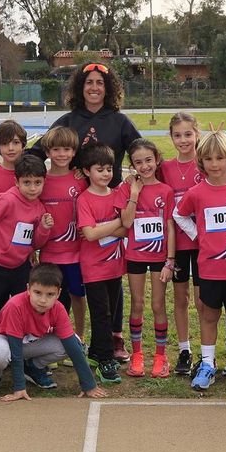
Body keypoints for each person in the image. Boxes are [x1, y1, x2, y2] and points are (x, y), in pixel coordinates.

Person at [171, 130, 226, 391]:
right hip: (209, 269)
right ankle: (207, 364)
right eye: (208, 159)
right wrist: (198, 233)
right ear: (202, 162)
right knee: (208, 316)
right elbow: (179, 214)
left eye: (220, 158)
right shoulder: (197, 192)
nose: (214, 164)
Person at [0, 264, 108, 400]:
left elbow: (73, 347)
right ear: (28, 289)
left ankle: (32, 367)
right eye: (37, 293)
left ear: (58, 293)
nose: (43, 300)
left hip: (27, 341)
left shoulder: (58, 308)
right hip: (3, 338)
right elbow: (15, 350)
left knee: (74, 343)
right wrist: (19, 388)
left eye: (50, 294)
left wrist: (89, 384)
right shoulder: (15, 305)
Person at [0, 154, 55, 308]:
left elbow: (36, 243)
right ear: (16, 182)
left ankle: (10, 332)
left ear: (44, 182)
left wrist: (43, 229)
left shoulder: (40, 209)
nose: (33, 188)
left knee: (22, 308)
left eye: (37, 183)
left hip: (20, 268)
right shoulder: (7, 200)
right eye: (27, 182)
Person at [37, 60, 143, 184]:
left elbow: (143, 154)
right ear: (81, 87)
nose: (94, 87)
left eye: (100, 83)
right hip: (73, 196)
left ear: (107, 88)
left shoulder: (121, 122)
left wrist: (137, 178)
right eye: (89, 82)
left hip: (111, 198)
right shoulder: (67, 122)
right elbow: (36, 153)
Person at [119, 139, 173, 377]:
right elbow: (127, 222)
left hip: (159, 256)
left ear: (157, 160)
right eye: (138, 162)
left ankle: (161, 356)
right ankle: (138, 355)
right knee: (138, 304)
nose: (144, 166)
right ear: (132, 164)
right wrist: (134, 193)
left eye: (148, 160)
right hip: (136, 256)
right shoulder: (127, 188)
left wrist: (170, 261)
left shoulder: (166, 191)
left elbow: (170, 226)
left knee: (158, 304)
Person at [76, 144, 128, 385]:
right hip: (93, 268)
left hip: (115, 266)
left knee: (113, 310)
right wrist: (116, 223)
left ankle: (97, 351)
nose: (106, 174)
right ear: (87, 171)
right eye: (100, 170)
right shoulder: (84, 199)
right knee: (101, 314)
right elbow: (89, 233)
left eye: (109, 169)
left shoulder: (117, 194)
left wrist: (103, 228)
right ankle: (107, 359)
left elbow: (127, 226)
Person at [160, 112, 205, 377]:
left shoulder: (207, 163)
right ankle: (185, 349)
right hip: (177, 244)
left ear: (197, 134)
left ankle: (205, 351)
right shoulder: (165, 168)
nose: (183, 139)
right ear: (171, 138)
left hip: (202, 243)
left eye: (188, 134)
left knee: (202, 301)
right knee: (180, 298)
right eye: (178, 135)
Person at [37, 125, 88, 334]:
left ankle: (79, 336)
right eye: (56, 149)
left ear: (74, 152)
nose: (62, 154)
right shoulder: (41, 181)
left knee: (77, 294)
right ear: (48, 152)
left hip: (76, 254)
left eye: (67, 149)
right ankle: (51, 337)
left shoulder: (81, 181)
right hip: (50, 254)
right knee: (49, 297)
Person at [0, 120, 29, 198]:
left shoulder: (32, 172)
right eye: (5, 143)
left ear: (23, 145)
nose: (11, 148)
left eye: (16, 142)